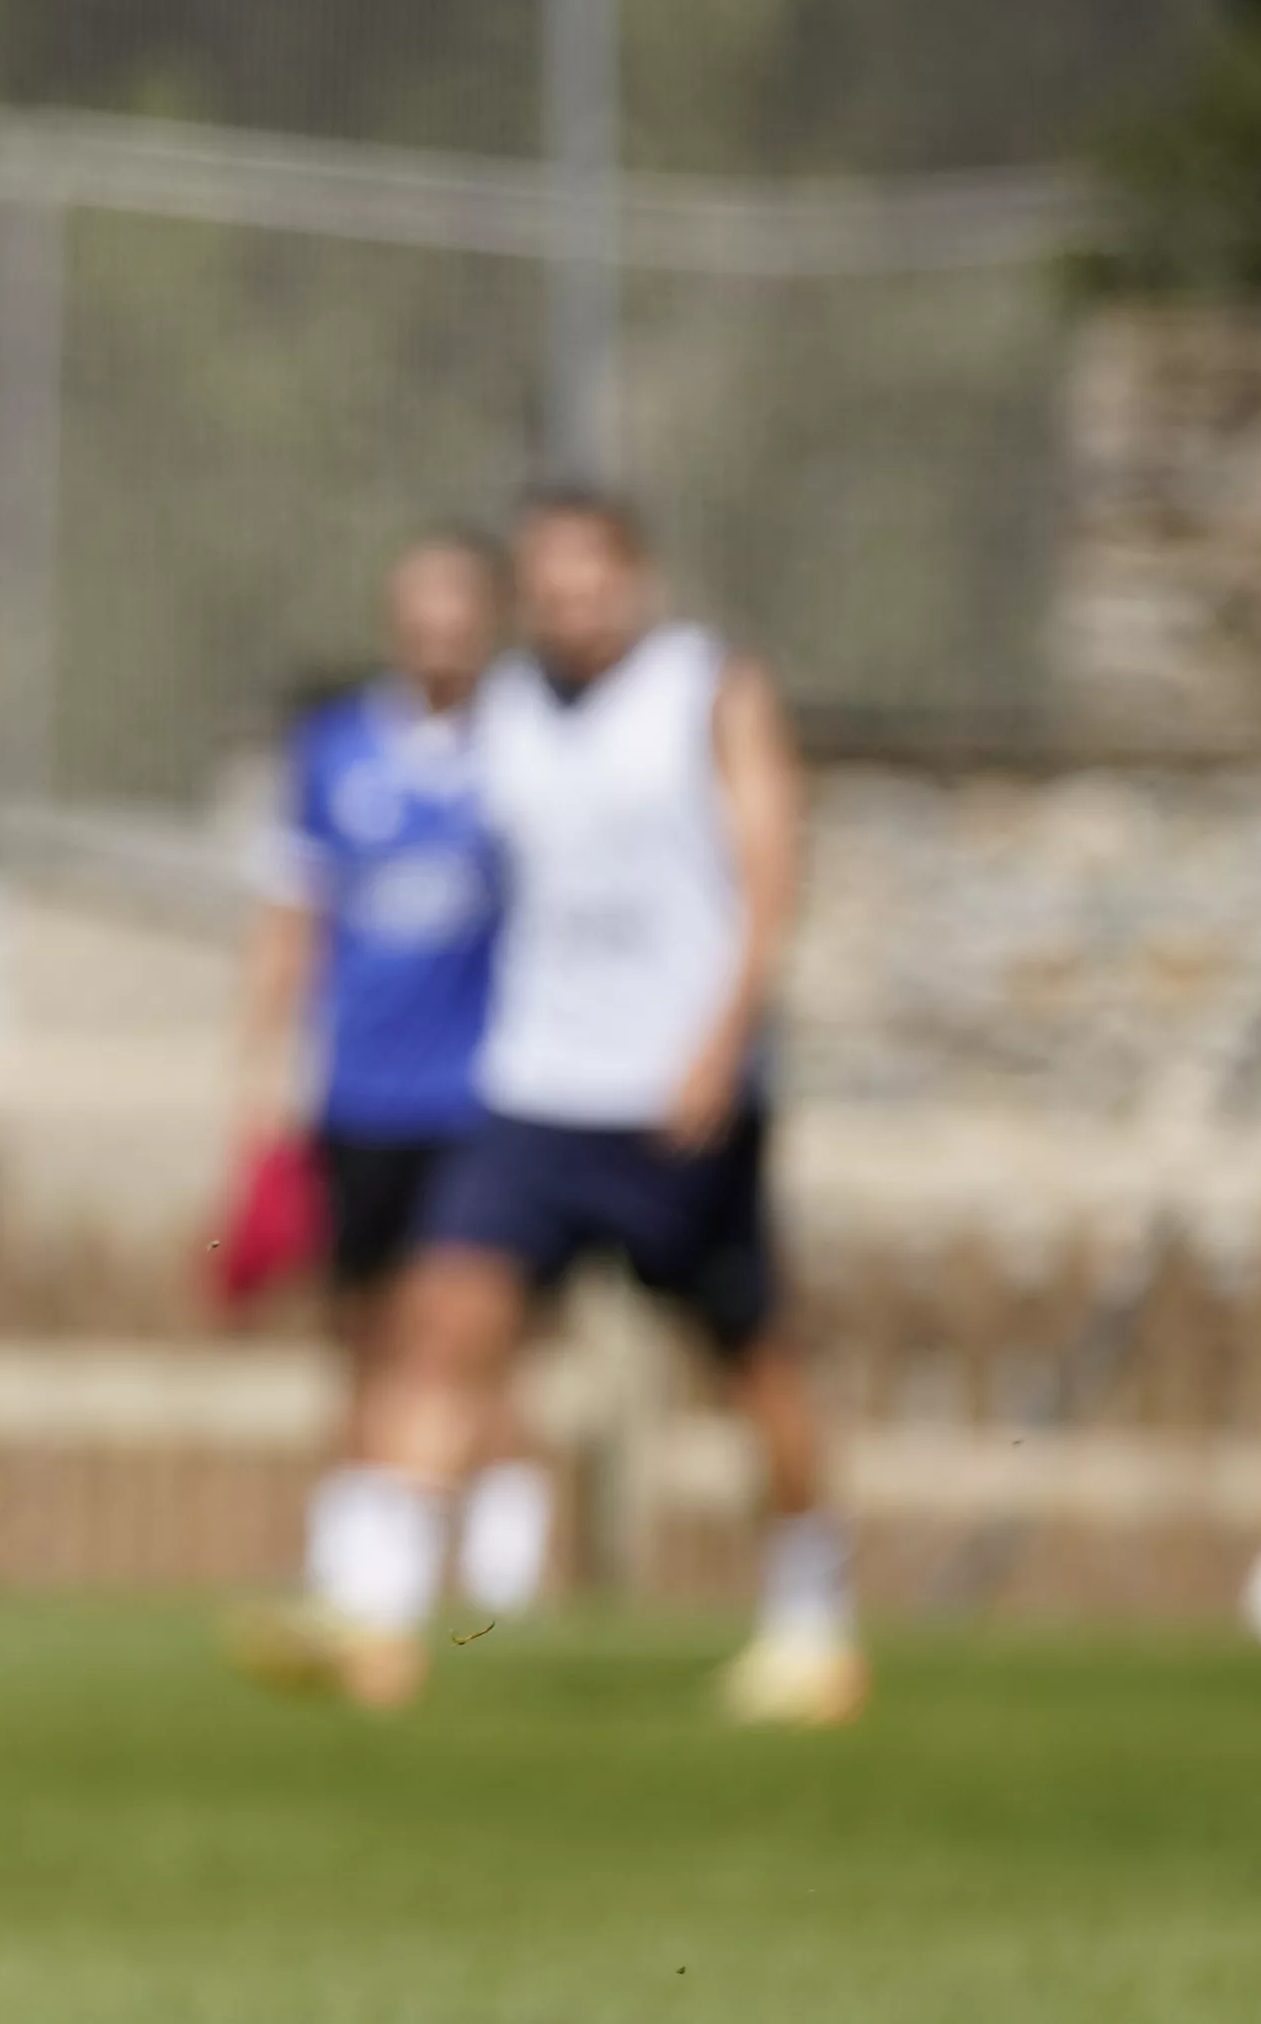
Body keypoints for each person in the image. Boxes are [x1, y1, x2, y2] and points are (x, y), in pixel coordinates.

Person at [244, 484, 865, 1720]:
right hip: (531, 1087)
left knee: (747, 1361)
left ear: (633, 577)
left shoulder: (706, 690)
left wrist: (717, 1042)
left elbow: (768, 873)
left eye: (589, 577)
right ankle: (376, 1615)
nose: (568, 602)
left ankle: (813, 1621)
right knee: (442, 1322)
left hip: (673, 1097)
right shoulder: (508, 711)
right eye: (546, 582)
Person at [235, 528, 554, 1636]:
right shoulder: (332, 751)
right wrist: (258, 1077)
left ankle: (495, 1566)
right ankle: (349, 1552)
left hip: (480, 1100)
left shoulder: (523, 748)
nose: (438, 631)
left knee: (460, 1330)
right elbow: (290, 919)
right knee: (360, 1329)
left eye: (457, 607)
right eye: (417, 608)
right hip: (355, 1099)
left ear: (487, 619)